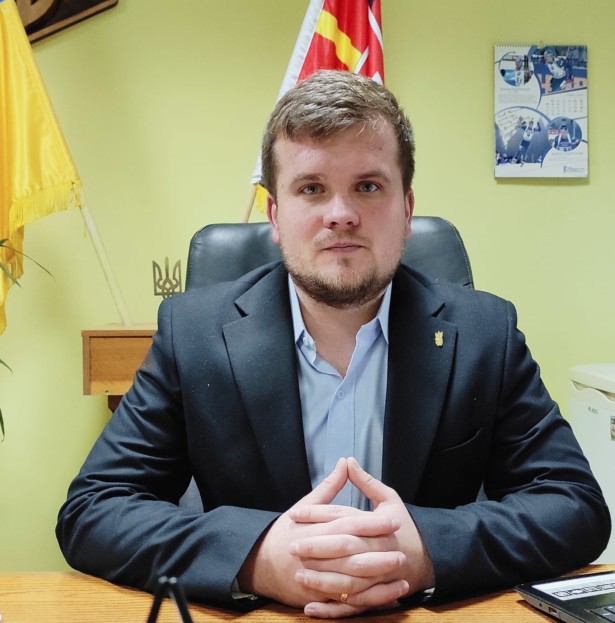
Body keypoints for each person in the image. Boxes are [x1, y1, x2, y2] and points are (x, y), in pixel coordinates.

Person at [56, 70, 610, 619]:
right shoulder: (193, 332)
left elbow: (575, 505)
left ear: (407, 209)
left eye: (368, 186)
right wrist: (256, 557)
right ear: (275, 215)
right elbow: (93, 509)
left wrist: (425, 549)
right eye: (311, 188)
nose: (341, 214)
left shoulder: (485, 332)